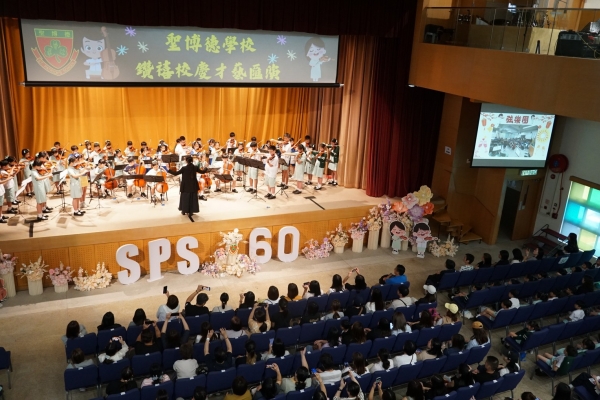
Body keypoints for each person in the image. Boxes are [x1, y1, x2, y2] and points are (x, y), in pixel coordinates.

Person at [167, 155, 207, 221]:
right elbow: (203, 172)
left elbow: (176, 173)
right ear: (192, 160)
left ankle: (184, 210)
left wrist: (169, 170)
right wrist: (206, 167)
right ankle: (191, 211)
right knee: (192, 198)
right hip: (193, 185)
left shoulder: (184, 168)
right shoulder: (195, 167)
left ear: (186, 161)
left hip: (185, 186)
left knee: (185, 198)